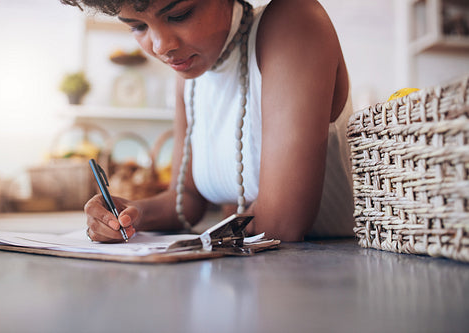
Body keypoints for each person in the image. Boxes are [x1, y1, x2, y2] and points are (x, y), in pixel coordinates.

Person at [61, 0, 355, 242]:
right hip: (255, 276)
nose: (162, 46)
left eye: (180, 14)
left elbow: (283, 222)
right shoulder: (189, 78)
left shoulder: (293, 22)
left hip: (336, 279)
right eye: (138, 26)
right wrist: (126, 214)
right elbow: (185, 199)